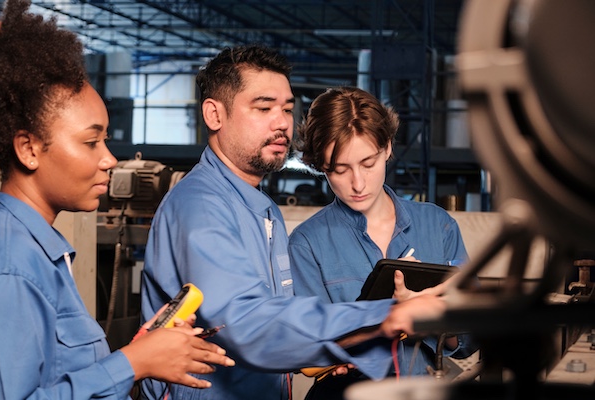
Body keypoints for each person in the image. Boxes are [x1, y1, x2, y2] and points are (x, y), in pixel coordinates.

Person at [0, 1, 233, 399]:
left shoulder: (34, 251)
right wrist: (133, 363)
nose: (108, 159)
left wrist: (141, 354)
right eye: (91, 142)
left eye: (105, 140)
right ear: (29, 148)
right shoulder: (9, 266)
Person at [139, 44, 449, 400]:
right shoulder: (202, 206)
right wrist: (384, 316)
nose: (282, 121)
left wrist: (339, 347)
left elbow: (279, 322)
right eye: (263, 107)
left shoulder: (262, 208)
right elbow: (251, 325)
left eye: (287, 108)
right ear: (214, 115)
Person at [288, 86, 475, 399]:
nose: (358, 184)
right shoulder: (307, 244)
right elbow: (306, 350)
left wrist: (432, 320)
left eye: (368, 163)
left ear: (387, 147)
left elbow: (470, 339)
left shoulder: (438, 226)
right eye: (340, 169)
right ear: (321, 166)